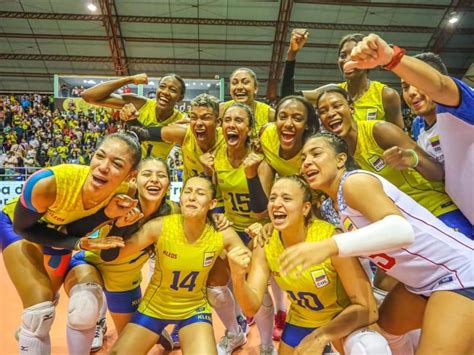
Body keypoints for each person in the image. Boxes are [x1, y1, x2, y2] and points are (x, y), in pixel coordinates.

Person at [282, 132, 473, 354]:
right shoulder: (332, 207)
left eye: (316, 153)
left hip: (458, 273)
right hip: (420, 284)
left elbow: (401, 230)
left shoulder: (354, 182)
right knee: (385, 329)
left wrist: (330, 245)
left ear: (341, 159)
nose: (307, 162)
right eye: (303, 158)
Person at [5, 132, 141, 355]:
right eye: (100, 156)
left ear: (130, 175)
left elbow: (73, 229)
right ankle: (31, 331)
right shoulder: (47, 183)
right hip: (18, 227)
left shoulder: (125, 194)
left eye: (117, 164)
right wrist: (77, 243)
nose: (103, 167)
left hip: (60, 237)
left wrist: (107, 215)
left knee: (74, 306)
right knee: (39, 312)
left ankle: (32, 334)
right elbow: (24, 228)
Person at [229, 175, 390, 354]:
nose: (276, 203)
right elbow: (250, 307)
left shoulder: (329, 239)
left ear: (305, 208)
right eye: (273, 198)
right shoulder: (265, 243)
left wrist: (320, 337)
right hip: (302, 319)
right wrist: (237, 276)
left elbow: (368, 309)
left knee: (370, 348)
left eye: (286, 198)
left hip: (340, 318)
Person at [109, 176, 249, 355]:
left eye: (200, 193)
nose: (191, 197)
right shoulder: (160, 227)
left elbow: (248, 259)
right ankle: (158, 333)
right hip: (154, 307)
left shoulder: (221, 233)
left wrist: (259, 234)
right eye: (187, 192)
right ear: (180, 198)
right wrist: (118, 224)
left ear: (212, 203)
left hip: (194, 310)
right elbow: (114, 254)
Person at [344, 33, 473, 226]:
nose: (412, 92)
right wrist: (413, 159)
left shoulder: (462, 105)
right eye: (405, 87)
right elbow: (441, 173)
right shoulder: (418, 125)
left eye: (419, 84)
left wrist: (392, 58)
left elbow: (439, 86)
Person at [315, 85, 471, 238]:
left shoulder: (380, 131)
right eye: (323, 111)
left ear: (351, 108)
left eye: (336, 106)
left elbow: (438, 172)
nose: (330, 113)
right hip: (403, 225)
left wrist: (413, 160)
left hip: (435, 210)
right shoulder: (339, 155)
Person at [63, 158, 177, 354]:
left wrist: (216, 217)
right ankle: (99, 320)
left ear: (169, 183)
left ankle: (150, 326)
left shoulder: (173, 213)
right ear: (134, 179)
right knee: (83, 309)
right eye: (147, 174)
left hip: (125, 280)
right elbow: (106, 255)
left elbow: (202, 221)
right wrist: (118, 225)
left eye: (161, 175)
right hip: (92, 263)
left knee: (131, 348)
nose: (155, 180)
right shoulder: (116, 201)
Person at [200, 103, 276, 354]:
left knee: (258, 291)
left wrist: (251, 173)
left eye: (239, 121)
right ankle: (234, 332)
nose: (232, 125)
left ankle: (266, 345)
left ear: (249, 129)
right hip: (232, 229)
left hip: (260, 229)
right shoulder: (216, 157)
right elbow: (217, 199)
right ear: (221, 126)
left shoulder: (260, 160)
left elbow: (261, 210)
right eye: (227, 120)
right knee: (214, 286)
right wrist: (218, 216)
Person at [258, 95, 320, 340]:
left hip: (314, 202)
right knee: (276, 255)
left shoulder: (311, 148)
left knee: (312, 264)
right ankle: (281, 311)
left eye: (297, 118)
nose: (288, 123)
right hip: (286, 201)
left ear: (307, 124)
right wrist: (267, 219)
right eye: (283, 116)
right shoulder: (267, 136)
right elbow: (267, 171)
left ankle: (315, 315)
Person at [281, 29, 404, 129]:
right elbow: (289, 96)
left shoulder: (386, 95)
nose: (346, 59)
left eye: (354, 53)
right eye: (342, 55)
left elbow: (400, 140)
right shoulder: (332, 92)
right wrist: (292, 54)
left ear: (369, 57)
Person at [81, 73, 186, 159]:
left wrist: (131, 120)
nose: (165, 92)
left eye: (172, 90)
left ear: (180, 97)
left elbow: (145, 134)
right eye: (162, 87)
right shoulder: (141, 103)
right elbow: (88, 96)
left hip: (152, 172)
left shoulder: (181, 122)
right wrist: (129, 79)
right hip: (127, 169)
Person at [221, 68, 275, 139]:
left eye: (245, 82)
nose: (239, 87)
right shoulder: (221, 110)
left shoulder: (269, 114)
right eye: (234, 83)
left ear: (255, 88)